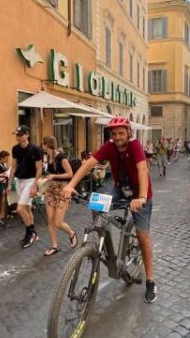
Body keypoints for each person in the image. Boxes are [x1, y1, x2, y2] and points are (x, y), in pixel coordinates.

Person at [62, 117, 157, 304]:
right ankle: (102, 238)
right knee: (95, 204)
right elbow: (89, 164)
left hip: (140, 194)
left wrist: (142, 197)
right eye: (114, 134)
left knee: (143, 235)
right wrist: (71, 185)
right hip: (120, 190)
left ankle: (151, 281)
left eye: (121, 133)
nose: (117, 137)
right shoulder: (109, 146)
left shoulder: (135, 145)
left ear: (128, 133)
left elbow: (142, 169)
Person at [40, 135, 77, 256]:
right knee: (50, 221)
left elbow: (70, 174)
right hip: (50, 190)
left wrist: (54, 176)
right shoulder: (47, 157)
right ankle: (54, 246)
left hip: (62, 191)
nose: (42, 146)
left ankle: (72, 233)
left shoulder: (61, 157)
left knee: (58, 222)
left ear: (47, 144)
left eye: (43, 144)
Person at [7, 125, 43, 248]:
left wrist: (34, 185)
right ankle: (33, 233)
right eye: (16, 135)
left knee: (20, 209)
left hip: (30, 180)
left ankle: (30, 233)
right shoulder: (15, 149)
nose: (18, 137)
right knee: (26, 209)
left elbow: (39, 169)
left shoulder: (35, 149)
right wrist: (9, 183)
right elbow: (14, 166)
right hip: (19, 180)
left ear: (27, 135)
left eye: (20, 135)